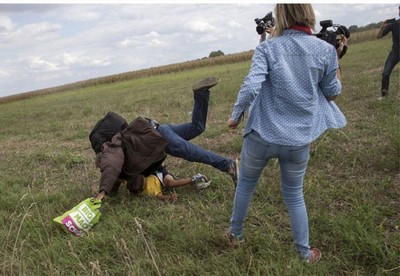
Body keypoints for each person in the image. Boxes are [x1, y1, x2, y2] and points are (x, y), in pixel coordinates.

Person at [225, 4, 347, 264]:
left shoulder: (267, 48)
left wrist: (235, 116)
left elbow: (250, 86)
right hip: (298, 140)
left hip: (261, 135)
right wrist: (336, 57)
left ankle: (235, 234)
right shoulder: (325, 50)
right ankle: (304, 253)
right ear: (309, 14)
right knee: (294, 194)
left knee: (246, 186)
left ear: (280, 17)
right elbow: (332, 93)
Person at [95, 77, 239, 201]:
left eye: (100, 164)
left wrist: (102, 192)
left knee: (189, 152)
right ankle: (201, 93)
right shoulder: (123, 153)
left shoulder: (111, 149)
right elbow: (113, 176)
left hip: (160, 137)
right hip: (159, 130)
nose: (99, 166)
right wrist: (109, 193)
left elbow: (111, 166)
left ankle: (228, 165)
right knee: (197, 127)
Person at [131, 165, 211, 203]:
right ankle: (194, 179)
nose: (145, 179)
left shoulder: (131, 181)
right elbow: (160, 196)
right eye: (144, 180)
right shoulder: (150, 190)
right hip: (162, 178)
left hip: (156, 171)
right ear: (143, 186)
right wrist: (170, 197)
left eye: (144, 178)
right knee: (170, 183)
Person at [376, 6, 400, 100]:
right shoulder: (394, 24)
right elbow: (378, 37)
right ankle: (384, 96)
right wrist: (382, 28)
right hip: (395, 53)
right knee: (386, 73)